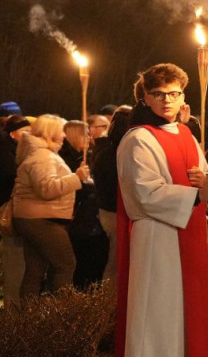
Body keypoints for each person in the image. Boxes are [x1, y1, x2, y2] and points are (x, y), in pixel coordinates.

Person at [116, 63, 208, 357]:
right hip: (157, 240)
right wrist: (195, 194)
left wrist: (207, 183)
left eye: (174, 93)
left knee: (186, 320)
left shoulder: (187, 135)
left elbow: (205, 180)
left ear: (183, 96)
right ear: (144, 97)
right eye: (158, 94)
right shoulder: (138, 139)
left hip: (187, 234)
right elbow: (144, 194)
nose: (167, 100)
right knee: (158, 319)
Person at [12, 114, 89, 299]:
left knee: (35, 270)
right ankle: (61, 314)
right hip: (41, 220)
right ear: (51, 132)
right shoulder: (43, 157)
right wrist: (76, 177)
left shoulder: (42, 154)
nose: (64, 136)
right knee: (65, 264)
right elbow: (46, 189)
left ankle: (28, 318)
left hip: (33, 218)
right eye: (61, 131)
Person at [59, 119, 106, 288]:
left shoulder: (88, 156)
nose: (89, 137)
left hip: (90, 219)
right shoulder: (65, 160)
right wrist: (82, 180)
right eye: (84, 134)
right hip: (75, 219)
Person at [0, 115, 29, 287]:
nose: (28, 135)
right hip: (1, 202)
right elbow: (6, 175)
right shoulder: (3, 149)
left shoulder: (14, 147)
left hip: (5, 200)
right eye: (24, 131)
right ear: (13, 133)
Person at [91, 106, 132, 283]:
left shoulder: (106, 150)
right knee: (116, 262)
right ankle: (108, 304)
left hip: (111, 209)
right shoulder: (112, 153)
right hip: (115, 210)